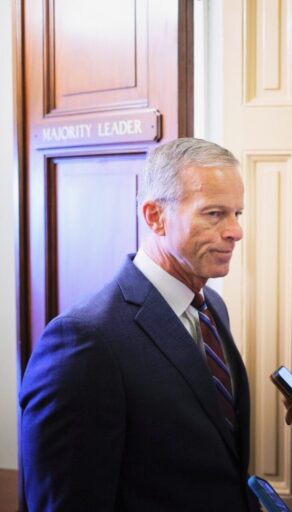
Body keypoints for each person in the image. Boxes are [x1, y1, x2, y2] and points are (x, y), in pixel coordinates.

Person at [19, 138, 256, 510]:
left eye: (237, 214)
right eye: (214, 214)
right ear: (154, 217)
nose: (235, 232)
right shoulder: (84, 340)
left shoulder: (213, 308)